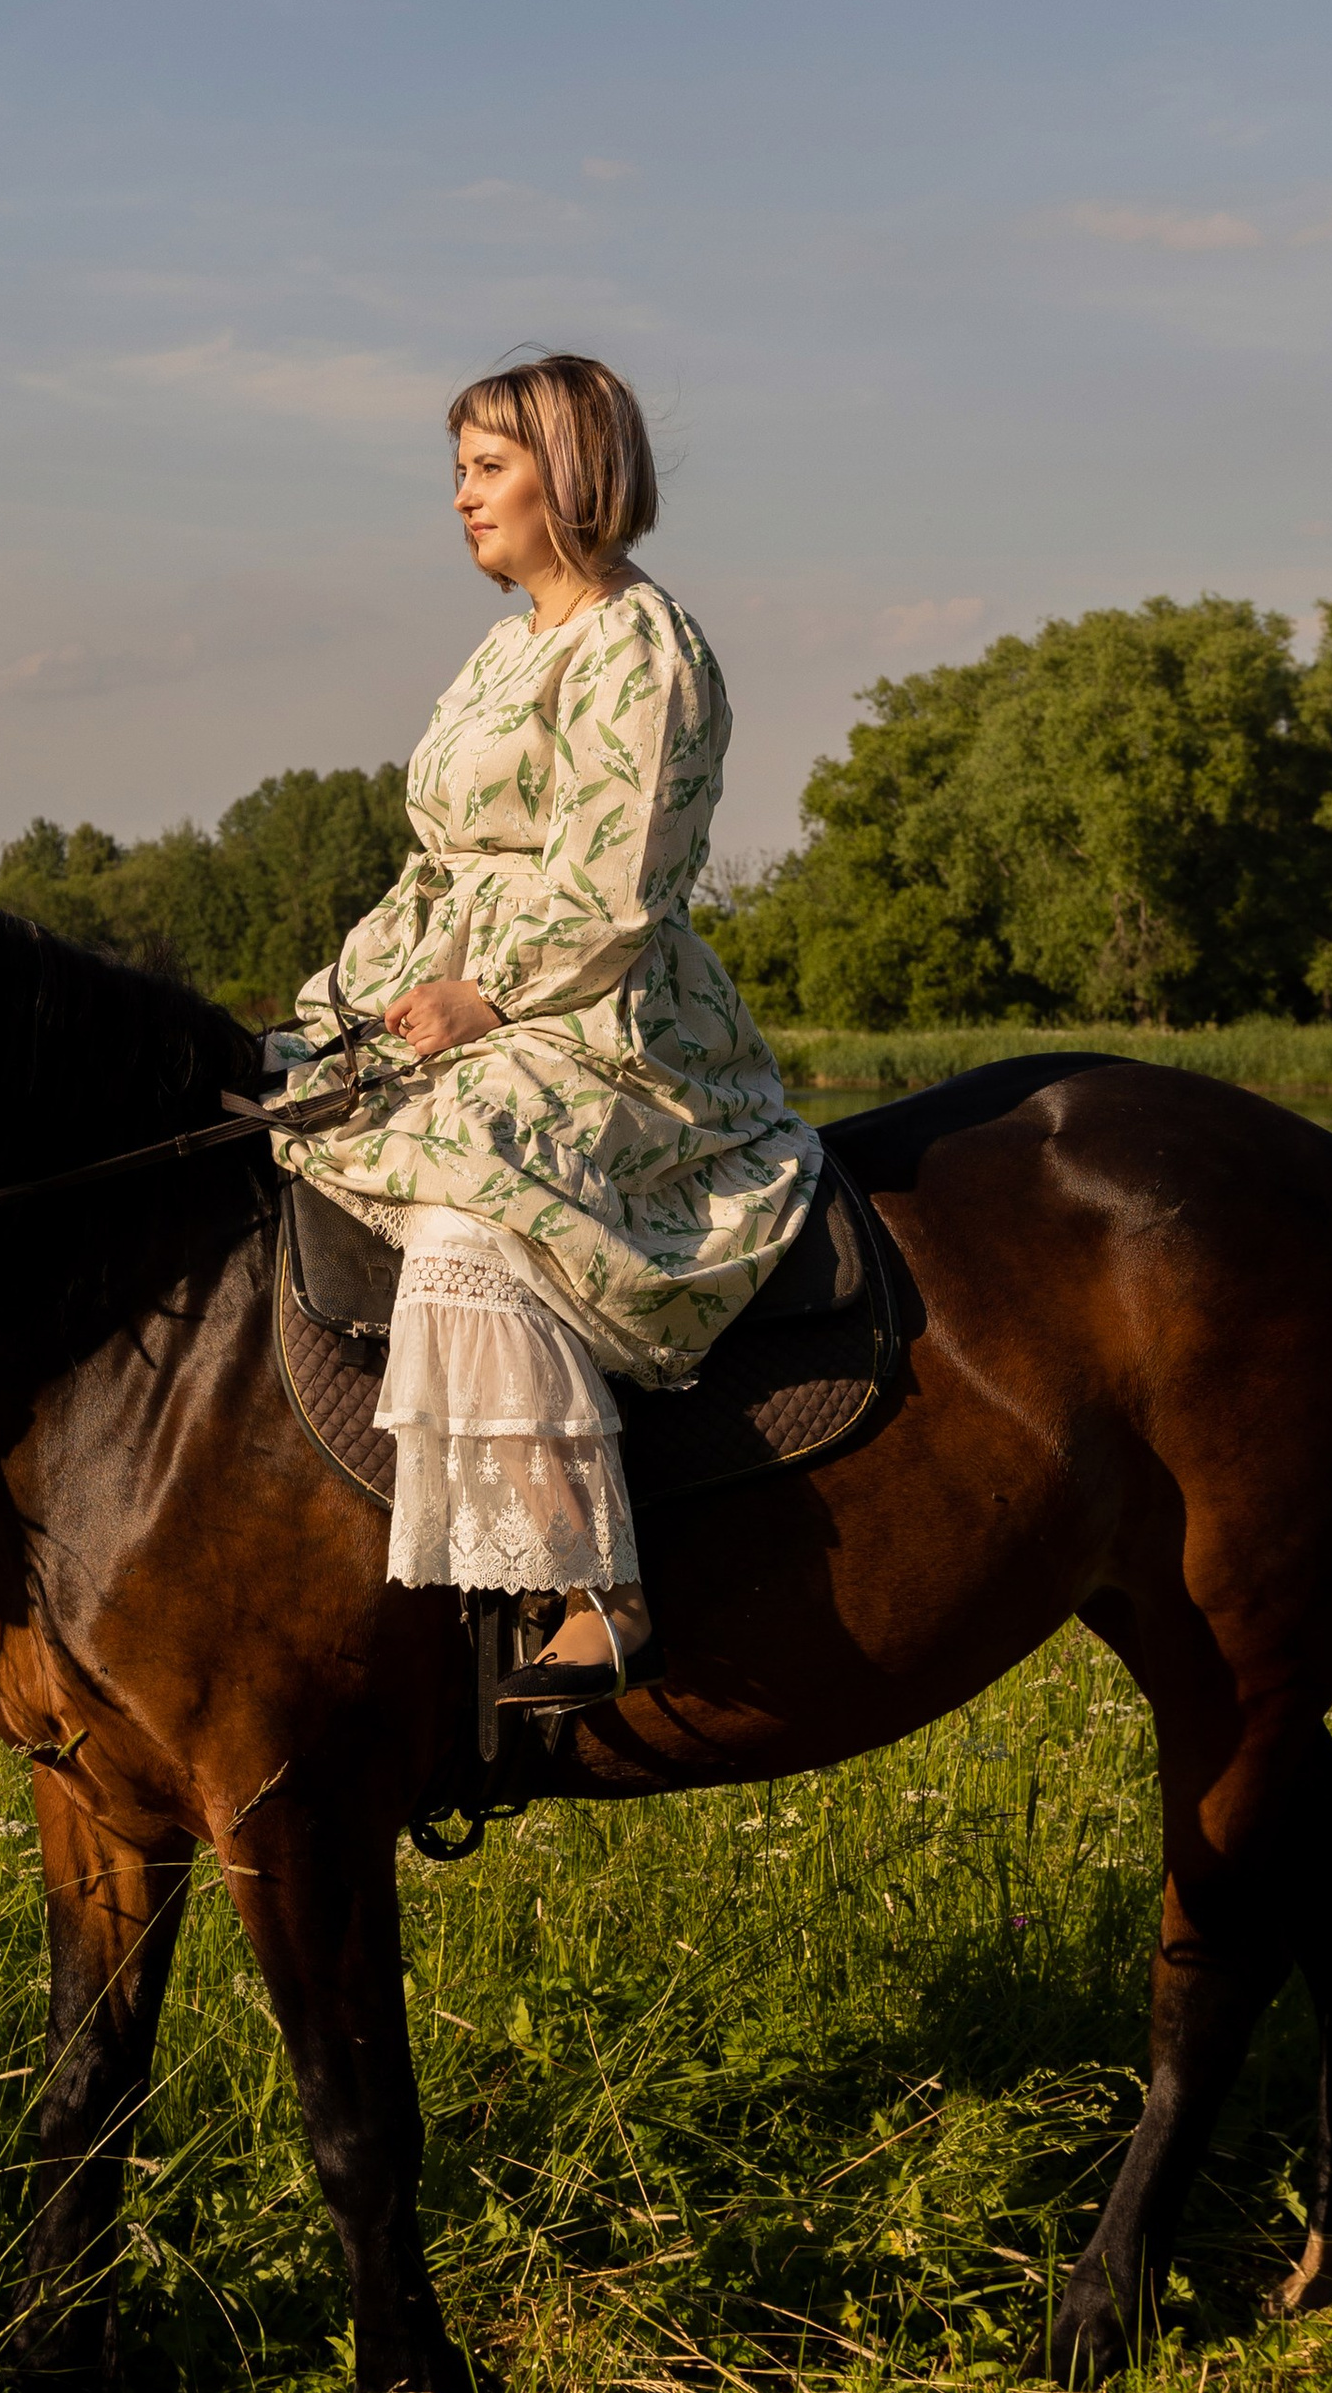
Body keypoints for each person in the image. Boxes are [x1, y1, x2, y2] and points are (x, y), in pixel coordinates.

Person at [272, 354, 821, 1713]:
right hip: (471, 986)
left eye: (488, 467)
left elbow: (617, 879)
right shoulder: (508, 645)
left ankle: (596, 1585)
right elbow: (447, 869)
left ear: (571, 475)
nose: (461, 496)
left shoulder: (644, 647)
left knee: (469, 1196)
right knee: (298, 1112)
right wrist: (348, 1007)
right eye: (457, 469)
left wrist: (492, 999)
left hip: (606, 1018)